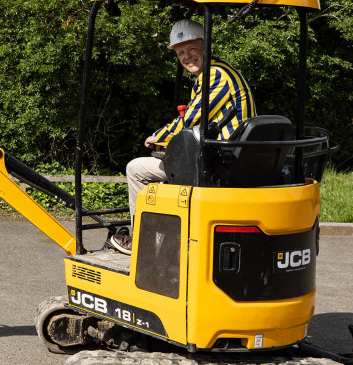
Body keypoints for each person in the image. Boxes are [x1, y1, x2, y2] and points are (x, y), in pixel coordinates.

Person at [109, 19, 255, 255]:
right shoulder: (219, 71)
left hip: (223, 163)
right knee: (171, 165)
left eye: (192, 49)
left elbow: (191, 120)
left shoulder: (215, 75)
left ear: (205, 45)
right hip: (228, 157)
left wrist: (157, 137)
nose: (187, 57)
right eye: (181, 53)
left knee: (135, 168)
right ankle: (173, 238)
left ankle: (141, 242)